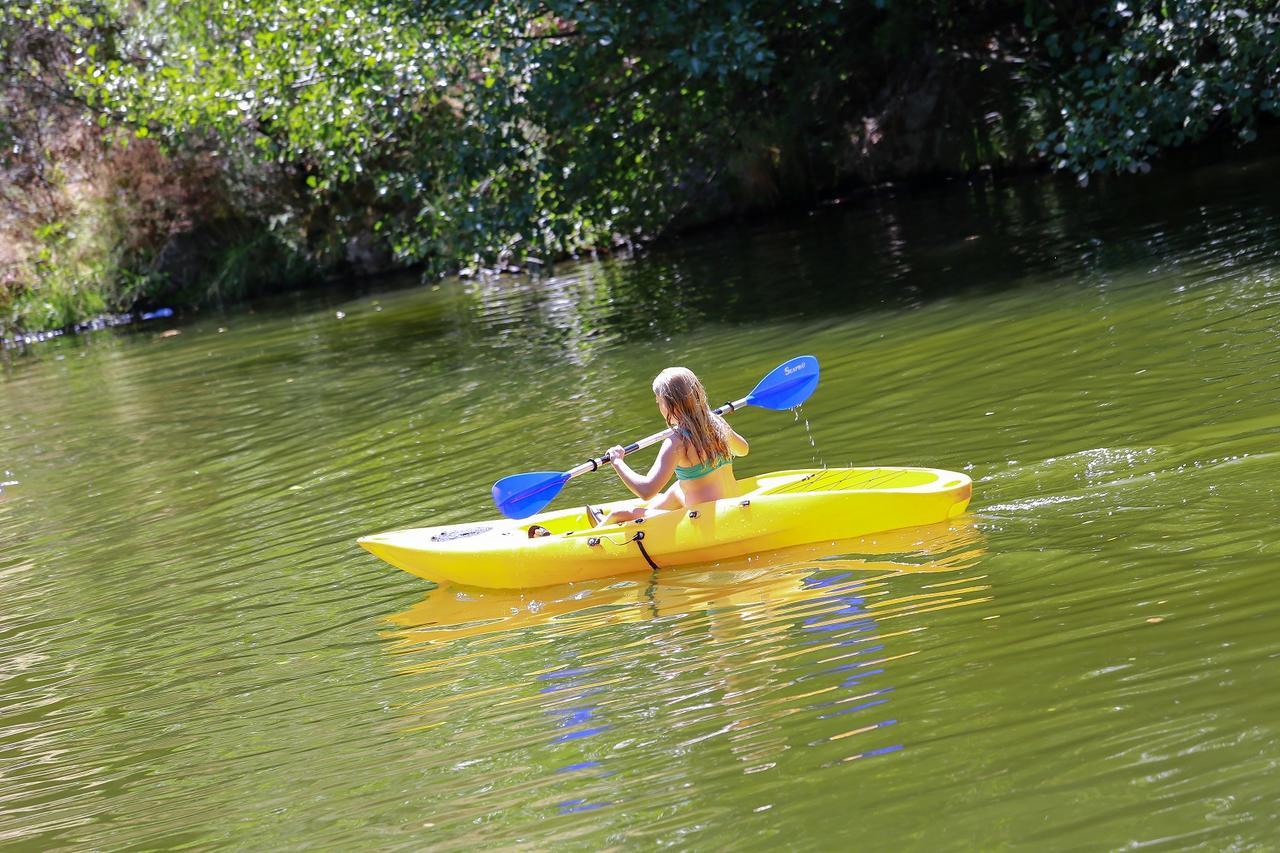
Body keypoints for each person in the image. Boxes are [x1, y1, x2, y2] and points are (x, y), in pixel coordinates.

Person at [590, 367, 749, 526]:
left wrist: (617, 461)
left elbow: (646, 491)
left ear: (669, 404)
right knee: (678, 488)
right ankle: (646, 518)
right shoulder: (718, 424)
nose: (658, 405)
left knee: (621, 513)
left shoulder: (676, 442)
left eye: (659, 401)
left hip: (704, 520)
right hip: (733, 505)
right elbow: (743, 450)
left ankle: (601, 530)